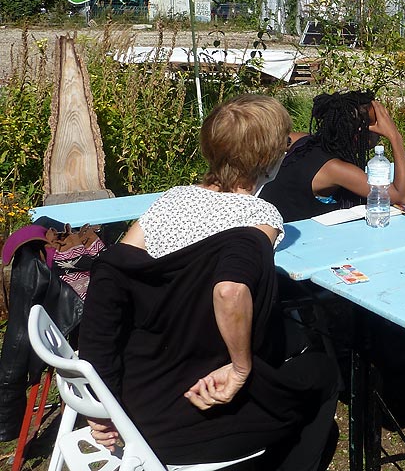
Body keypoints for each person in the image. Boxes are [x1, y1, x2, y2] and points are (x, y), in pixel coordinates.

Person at [80, 94, 339, 471]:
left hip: (139, 397)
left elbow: (109, 279)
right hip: (199, 408)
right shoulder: (259, 215)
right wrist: (240, 367)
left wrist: (100, 398)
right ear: (270, 159)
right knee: (323, 374)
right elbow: (230, 288)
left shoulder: (171, 200)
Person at [259, 90, 405, 222]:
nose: (383, 128)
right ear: (359, 133)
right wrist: (395, 137)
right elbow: (404, 197)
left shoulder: (304, 141)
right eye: (378, 123)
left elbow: (269, 139)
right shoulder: (335, 169)